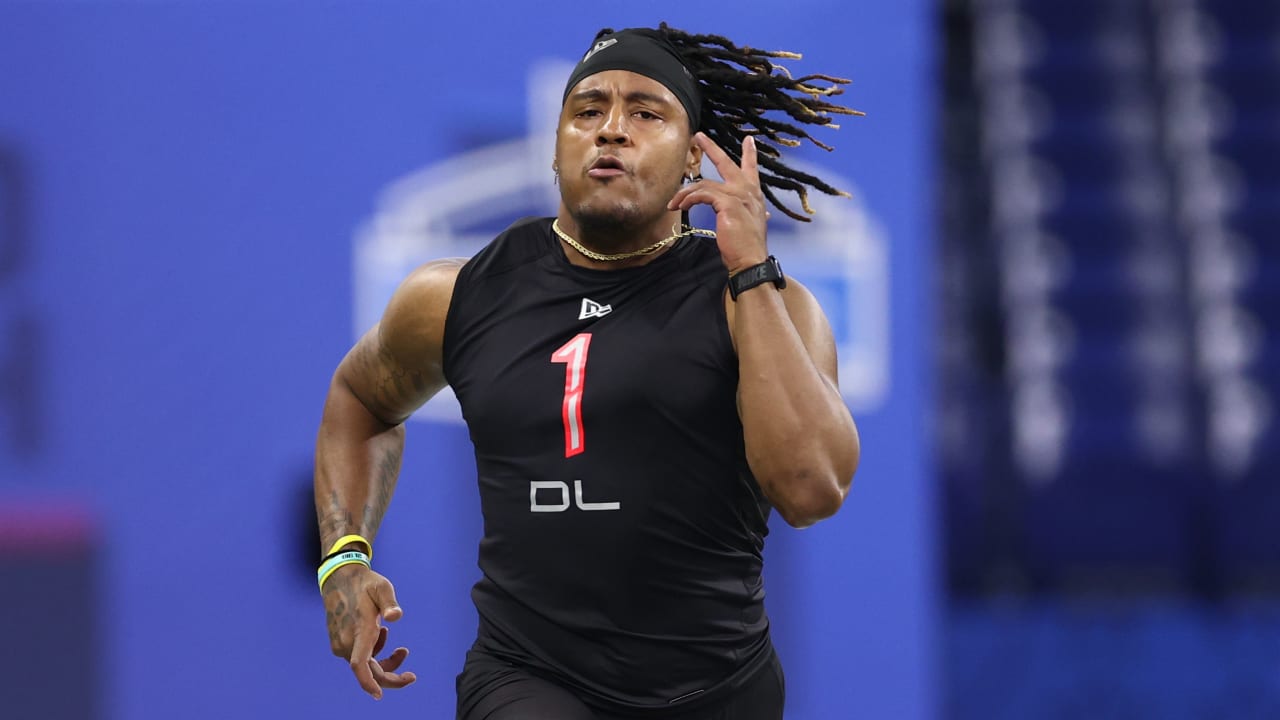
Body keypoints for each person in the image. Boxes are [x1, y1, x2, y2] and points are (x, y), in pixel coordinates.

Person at [314, 23, 862, 719]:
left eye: (645, 112)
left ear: (695, 160)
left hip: (718, 687)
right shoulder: (456, 296)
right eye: (587, 111)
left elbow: (812, 491)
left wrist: (749, 268)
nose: (610, 130)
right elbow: (360, 399)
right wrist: (344, 556)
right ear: (555, 150)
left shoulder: (759, 303)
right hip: (527, 677)